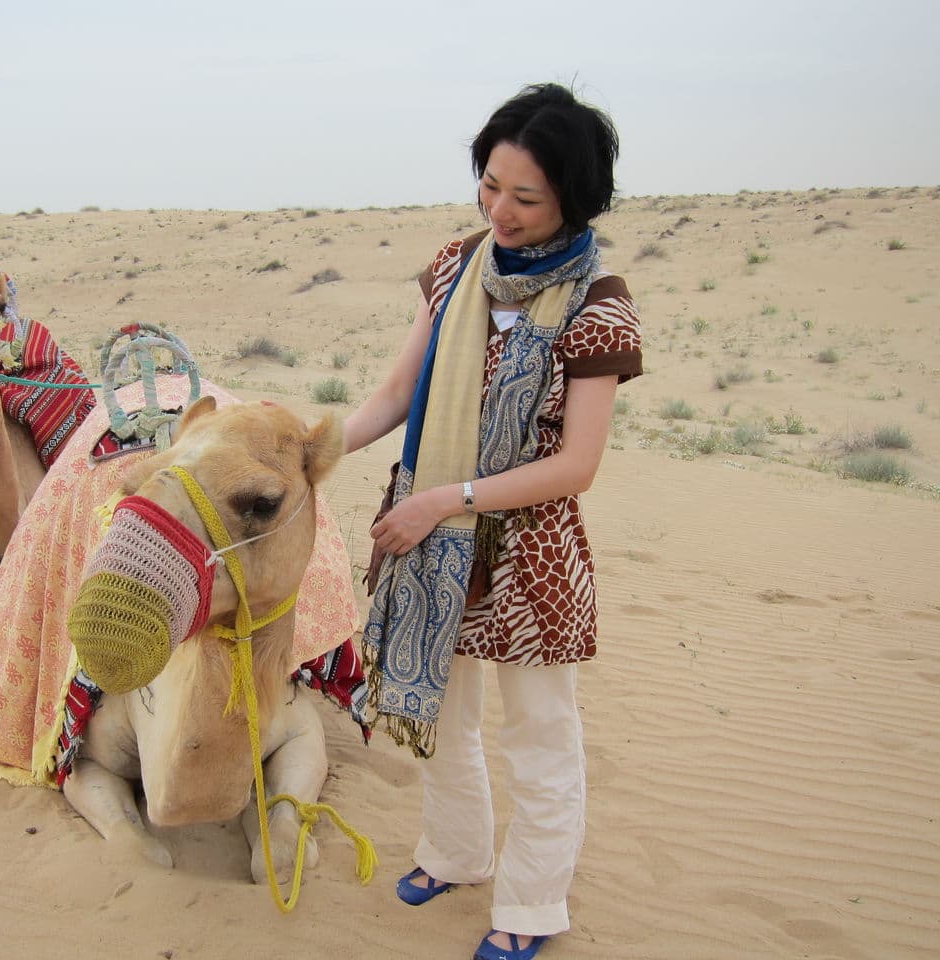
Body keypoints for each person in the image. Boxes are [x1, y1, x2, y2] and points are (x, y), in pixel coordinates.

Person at [343, 83, 642, 960]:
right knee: (446, 709)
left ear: (573, 200)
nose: (499, 211)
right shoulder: (456, 267)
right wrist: (311, 446)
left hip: (527, 553)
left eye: (525, 197)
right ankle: (456, 853)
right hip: (427, 533)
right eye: (490, 186)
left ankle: (534, 903)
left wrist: (446, 500)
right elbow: (398, 393)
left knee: (541, 737)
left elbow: (576, 465)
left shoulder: (599, 302)